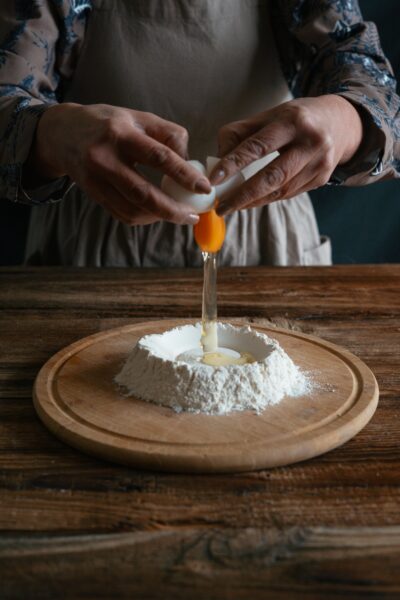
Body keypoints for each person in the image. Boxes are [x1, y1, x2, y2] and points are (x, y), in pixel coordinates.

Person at [0, 0, 398, 267]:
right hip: (93, 240)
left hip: (266, 241)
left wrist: (348, 120)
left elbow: (370, 82)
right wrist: (52, 133)